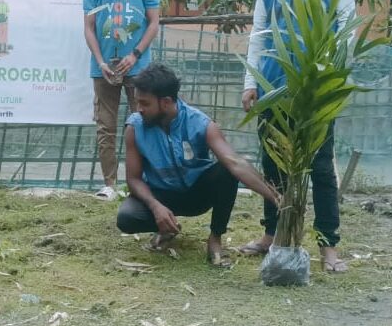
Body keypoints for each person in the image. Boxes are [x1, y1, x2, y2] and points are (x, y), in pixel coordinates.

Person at [239, 0, 355, 273]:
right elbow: (259, 33)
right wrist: (250, 83)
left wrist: (336, 84)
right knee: (272, 164)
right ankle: (271, 234)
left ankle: (328, 246)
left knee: (320, 168)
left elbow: (347, 31)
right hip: (273, 85)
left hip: (316, 90)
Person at [117, 64, 281, 266]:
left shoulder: (201, 123)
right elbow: (133, 179)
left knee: (226, 171)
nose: (138, 109)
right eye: (137, 102)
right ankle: (166, 228)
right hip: (161, 195)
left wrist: (275, 198)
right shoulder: (135, 128)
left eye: (144, 103)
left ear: (166, 102)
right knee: (127, 218)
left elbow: (235, 162)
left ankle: (215, 239)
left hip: (197, 195)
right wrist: (155, 206)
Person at [83, 0, 160, 201]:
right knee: (106, 126)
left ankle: (140, 184)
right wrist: (101, 61)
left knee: (143, 123)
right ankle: (110, 185)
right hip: (103, 68)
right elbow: (89, 27)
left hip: (138, 67)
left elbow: (153, 23)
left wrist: (135, 55)